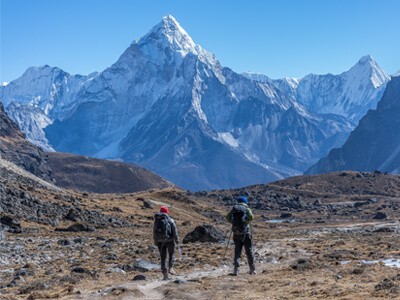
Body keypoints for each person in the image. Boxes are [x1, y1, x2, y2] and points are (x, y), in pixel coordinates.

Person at [226, 196, 256, 275]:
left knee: (237, 251)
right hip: (246, 233)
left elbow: (227, 218)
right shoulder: (247, 208)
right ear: (245, 202)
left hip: (236, 234)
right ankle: (252, 270)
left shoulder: (234, 209)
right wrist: (246, 221)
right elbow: (252, 217)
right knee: (249, 251)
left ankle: (236, 270)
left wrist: (234, 222)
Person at [153, 205, 180, 280]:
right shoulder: (170, 220)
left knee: (163, 257)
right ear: (167, 212)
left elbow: (154, 232)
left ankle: (165, 274)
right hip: (169, 240)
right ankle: (171, 268)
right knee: (171, 253)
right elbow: (175, 231)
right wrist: (177, 240)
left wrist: (155, 241)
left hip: (159, 241)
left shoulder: (156, 220)